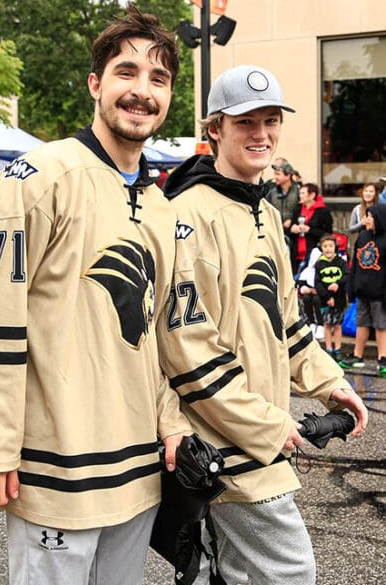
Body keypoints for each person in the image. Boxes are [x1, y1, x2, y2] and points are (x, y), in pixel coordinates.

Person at [0, 4, 192, 585]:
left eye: (159, 79)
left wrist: (170, 423)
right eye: (126, 72)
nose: (142, 91)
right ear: (95, 84)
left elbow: (154, 335)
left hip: (138, 470)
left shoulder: (160, 207)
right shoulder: (39, 177)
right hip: (58, 466)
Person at [157, 64, 368, 585]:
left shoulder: (265, 212)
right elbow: (186, 348)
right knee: (290, 571)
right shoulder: (188, 213)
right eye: (245, 122)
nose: (261, 134)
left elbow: (288, 326)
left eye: (270, 121)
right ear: (215, 129)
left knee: (222, 573)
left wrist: (331, 385)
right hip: (223, 442)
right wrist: (270, 426)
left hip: (256, 431)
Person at [340, 203, 386, 376]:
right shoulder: (363, 237)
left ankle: (383, 359)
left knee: (381, 326)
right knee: (362, 323)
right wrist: (351, 287)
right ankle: (357, 356)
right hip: (363, 291)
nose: (367, 219)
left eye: (371, 216)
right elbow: (355, 267)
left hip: (379, 293)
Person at [314, 234, 349, 361]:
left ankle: (338, 348)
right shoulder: (319, 264)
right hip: (326, 300)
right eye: (325, 246)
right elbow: (317, 283)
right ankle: (328, 348)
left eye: (331, 246)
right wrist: (327, 297)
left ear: (336, 247)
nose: (328, 249)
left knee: (338, 325)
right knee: (327, 324)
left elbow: (346, 276)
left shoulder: (341, 262)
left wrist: (337, 284)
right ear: (321, 248)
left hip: (339, 299)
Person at [290, 182, 333, 274]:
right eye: (299, 193)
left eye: (303, 193)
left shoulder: (323, 212)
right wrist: (293, 228)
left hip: (314, 254)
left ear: (312, 195)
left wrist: (309, 230)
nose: (300, 196)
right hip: (296, 254)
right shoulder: (297, 209)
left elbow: (328, 234)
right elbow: (291, 227)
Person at [265, 157, 300, 232]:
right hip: (275, 230)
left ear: (287, 176)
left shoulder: (299, 191)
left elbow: (303, 210)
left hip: (293, 233)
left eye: (278, 174)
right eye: (275, 174)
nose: (275, 177)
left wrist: (293, 221)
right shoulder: (271, 192)